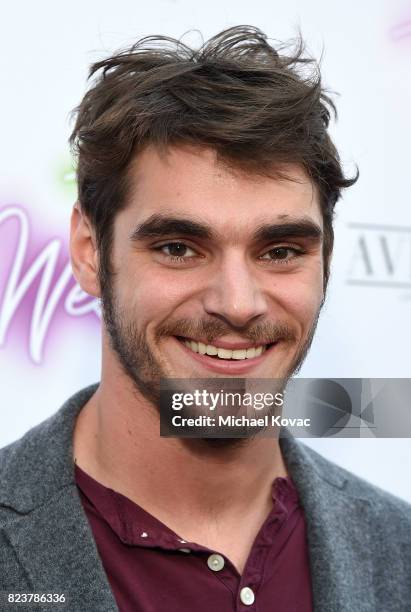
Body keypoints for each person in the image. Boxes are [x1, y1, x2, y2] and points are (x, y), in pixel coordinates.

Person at [0, 25, 410, 612]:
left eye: (281, 251)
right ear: (91, 251)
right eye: (178, 248)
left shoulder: (397, 547)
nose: (239, 304)